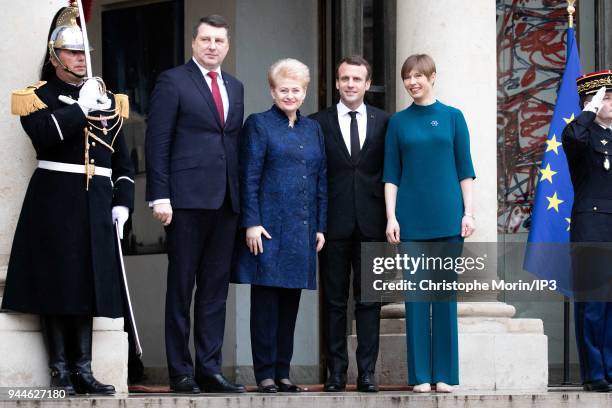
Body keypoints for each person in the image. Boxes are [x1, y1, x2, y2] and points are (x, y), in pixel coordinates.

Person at [1, 6, 134, 395]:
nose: (80, 59)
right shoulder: (38, 96)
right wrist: (79, 108)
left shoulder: (108, 98)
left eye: (83, 52)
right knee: (56, 285)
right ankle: (59, 371)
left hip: (95, 203)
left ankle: (84, 369)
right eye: (72, 53)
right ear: (55, 56)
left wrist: (123, 201)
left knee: (88, 285)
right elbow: (44, 135)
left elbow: (122, 160)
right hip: (55, 199)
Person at [145, 15, 245, 394]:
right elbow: (157, 141)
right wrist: (160, 194)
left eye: (219, 40)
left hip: (225, 202)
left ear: (227, 45)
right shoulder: (173, 81)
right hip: (184, 201)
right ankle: (180, 372)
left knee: (215, 290)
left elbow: (231, 144)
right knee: (181, 286)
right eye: (206, 39)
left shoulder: (235, 87)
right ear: (193, 42)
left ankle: (209, 368)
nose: (212, 46)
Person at [232, 58, 327, 393]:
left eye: (296, 90)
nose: (290, 95)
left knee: (290, 302)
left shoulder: (312, 128)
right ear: (272, 91)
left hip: (302, 229)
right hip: (268, 228)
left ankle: (283, 372)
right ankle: (265, 374)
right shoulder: (258, 125)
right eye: (283, 89)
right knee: (266, 303)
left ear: (305, 92)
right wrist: (252, 222)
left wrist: (320, 226)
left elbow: (321, 180)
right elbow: (249, 176)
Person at [383, 54, 475, 393]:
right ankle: (420, 375)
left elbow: (465, 169)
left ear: (433, 77)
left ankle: (446, 375)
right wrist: (391, 216)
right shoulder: (398, 122)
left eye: (419, 76)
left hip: (449, 218)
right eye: (408, 76)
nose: (412, 82)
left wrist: (469, 212)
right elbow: (391, 174)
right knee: (417, 298)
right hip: (410, 220)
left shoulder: (453, 118)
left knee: (444, 296)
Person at [310, 55, 389, 393]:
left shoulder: (387, 122)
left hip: (374, 224)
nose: (351, 84)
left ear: (367, 84)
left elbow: (392, 174)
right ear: (337, 83)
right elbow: (313, 177)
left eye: (357, 79)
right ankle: (336, 373)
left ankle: (367, 372)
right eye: (345, 79)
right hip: (332, 226)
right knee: (335, 302)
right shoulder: (316, 123)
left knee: (370, 302)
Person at [562, 71, 612, 392]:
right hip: (591, 227)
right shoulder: (582, 134)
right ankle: (594, 373)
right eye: (607, 96)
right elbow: (573, 138)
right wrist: (590, 109)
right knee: (593, 304)